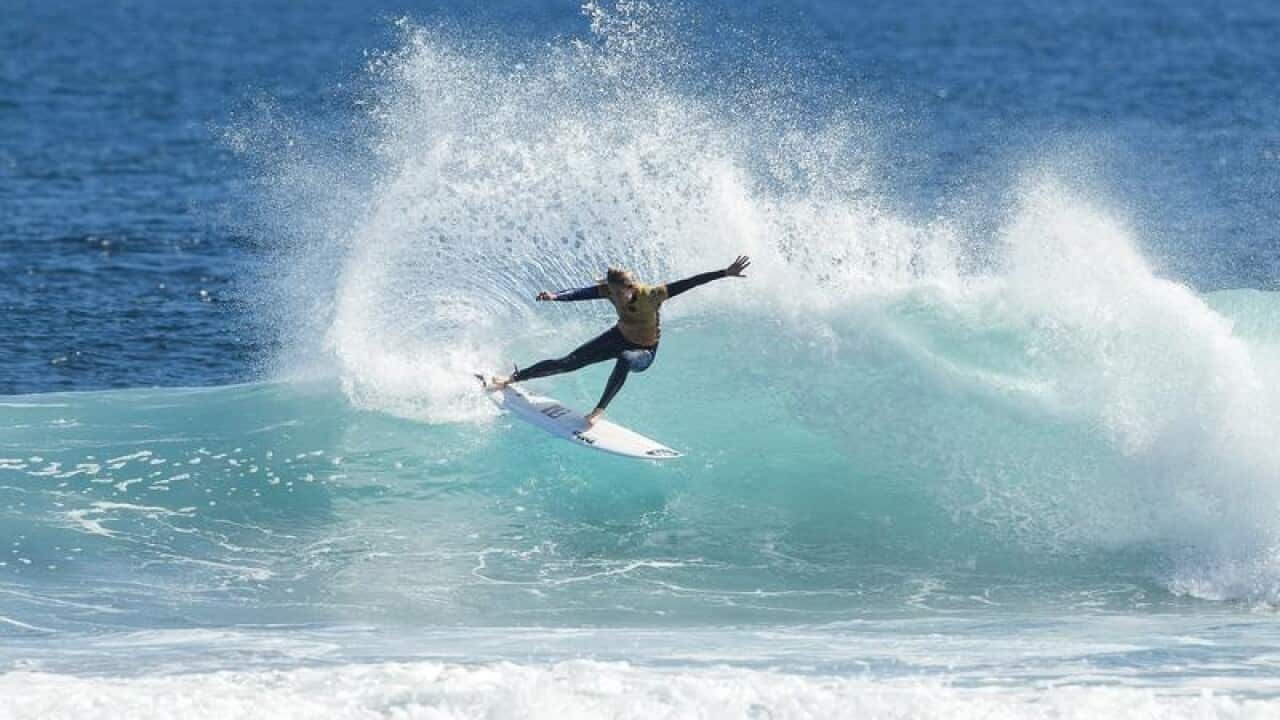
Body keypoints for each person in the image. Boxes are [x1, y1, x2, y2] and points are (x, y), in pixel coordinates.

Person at [490, 255, 751, 427]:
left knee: (626, 359)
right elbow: (581, 293)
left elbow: (689, 283)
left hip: (644, 351)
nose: (615, 297)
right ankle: (513, 378)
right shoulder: (609, 291)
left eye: (619, 293)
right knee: (568, 362)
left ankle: (598, 411)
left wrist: (724, 273)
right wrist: (555, 296)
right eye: (612, 292)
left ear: (630, 287)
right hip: (618, 336)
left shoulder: (652, 295)